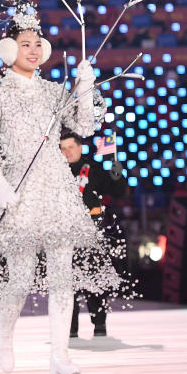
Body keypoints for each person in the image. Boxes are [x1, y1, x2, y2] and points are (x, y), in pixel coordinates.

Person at [0, 0, 122, 374]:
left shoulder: (53, 91)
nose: (33, 51)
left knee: (62, 275)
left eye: (38, 44)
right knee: (19, 276)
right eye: (25, 44)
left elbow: (84, 126)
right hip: (19, 192)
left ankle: (60, 355)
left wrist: (86, 84)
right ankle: (4, 334)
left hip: (57, 188)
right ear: (8, 49)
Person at [59, 132, 129, 338]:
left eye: (71, 147)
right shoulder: (55, 172)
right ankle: (69, 329)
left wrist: (117, 175)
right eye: (63, 148)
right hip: (64, 235)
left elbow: (117, 191)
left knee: (94, 281)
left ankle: (99, 325)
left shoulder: (93, 169)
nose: (67, 152)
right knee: (66, 284)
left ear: (80, 148)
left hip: (91, 233)